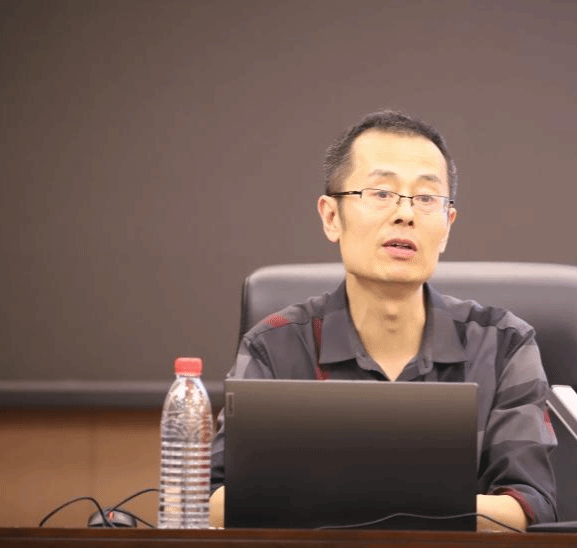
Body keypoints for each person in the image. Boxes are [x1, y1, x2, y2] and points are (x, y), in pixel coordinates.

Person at [209, 110, 557, 531]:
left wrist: (342, 502)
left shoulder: (503, 345)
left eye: (426, 198)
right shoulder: (275, 347)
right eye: (381, 192)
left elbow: (527, 507)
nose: (405, 214)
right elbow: (215, 502)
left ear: (447, 226)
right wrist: (408, 505)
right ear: (331, 217)